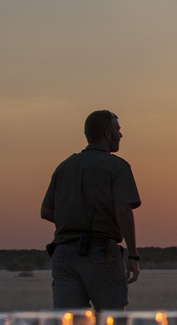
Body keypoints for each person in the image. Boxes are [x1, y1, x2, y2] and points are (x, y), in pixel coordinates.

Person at [41, 110, 141, 311]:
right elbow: (123, 211)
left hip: (63, 255)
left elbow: (46, 211)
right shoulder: (117, 166)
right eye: (118, 130)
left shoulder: (64, 166)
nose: (121, 135)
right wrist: (133, 255)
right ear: (107, 134)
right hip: (101, 254)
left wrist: (74, 224)